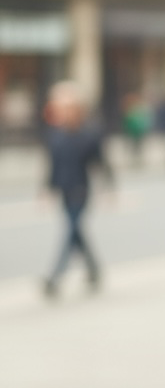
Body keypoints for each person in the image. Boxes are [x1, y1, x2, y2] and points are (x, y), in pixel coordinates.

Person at [41, 80, 113, 296]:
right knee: (77, 232)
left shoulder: (89, 133)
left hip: (80, 190)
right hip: (64, 188)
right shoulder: (56, 135)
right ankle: (94, 269)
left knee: (71, 231)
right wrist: (48, 189)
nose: (64, 112)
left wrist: (110, 187)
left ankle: (55, 277)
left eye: (68, 107)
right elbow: (53, 165)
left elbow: (101, 162)